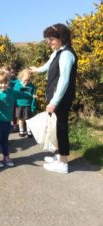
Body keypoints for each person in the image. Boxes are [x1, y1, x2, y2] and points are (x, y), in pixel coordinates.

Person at [30, 23, 77, 174]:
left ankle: (63, 163)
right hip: (57, 98)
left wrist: (54, 102)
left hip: (61, 100)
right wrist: (36, 70)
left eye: (52, 39)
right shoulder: (57, 52)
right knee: (56, 128)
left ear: (61, 38)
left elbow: (64, 80)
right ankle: (59, 156)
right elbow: (48, 65)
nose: (49, 42)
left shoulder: (66, 54)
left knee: (61, 128)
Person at [0, 71, 34, 168]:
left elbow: (20, 94)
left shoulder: (11, 91)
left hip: (8, 121)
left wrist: (30, 96)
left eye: (5, 83)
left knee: (5, 140)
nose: (3, 85)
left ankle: (6, 157)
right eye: (0, 83)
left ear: (8, 83)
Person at [13, 68, 36, 137]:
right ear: (21, 78)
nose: (26, 82)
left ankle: (29, 131)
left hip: (28, 104)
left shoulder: (31, 86)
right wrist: (21, 86)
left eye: (28, 80)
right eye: (25, 80)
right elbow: (15, 92)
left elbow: (33, 95)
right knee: (20, 118)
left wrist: (33, 105)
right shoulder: (18, 84)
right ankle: (21, 130)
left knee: (28, 118)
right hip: (19, 104)